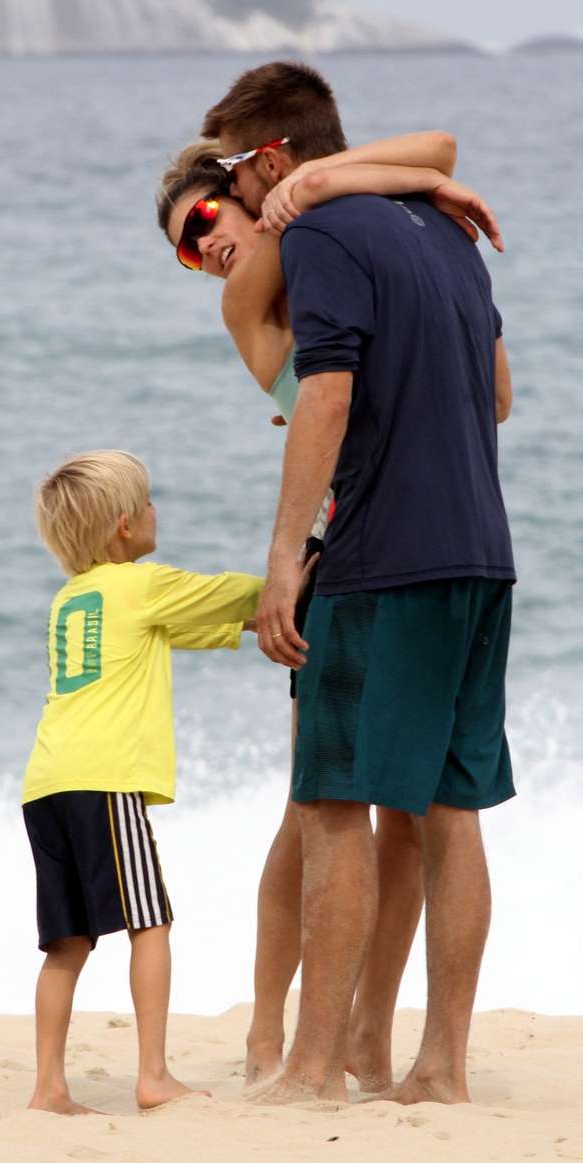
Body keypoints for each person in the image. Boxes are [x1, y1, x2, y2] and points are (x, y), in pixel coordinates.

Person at [157, 122, 505, 1090]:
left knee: (349, 808)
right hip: (425, 547)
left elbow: (432, 151)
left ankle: (344, 1044)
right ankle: (289, 1033)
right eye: (183, 247)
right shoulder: (259, 288)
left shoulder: (335, 247)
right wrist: (412, 185)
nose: (203, 249)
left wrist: (333, 178)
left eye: (205, 219)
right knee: (355, 810)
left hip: (375, 549)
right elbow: (433, 157)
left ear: (243, 184)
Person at [21, 449, 265, 1113]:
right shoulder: (142, 585)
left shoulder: (70, 601)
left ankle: (49, 1086)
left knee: (66, 943)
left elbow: (171, 631)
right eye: (151, 501)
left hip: (46, 784)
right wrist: (294, 583)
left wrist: (245, 628)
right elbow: (230, 593)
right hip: (106, 782)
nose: (160, 510)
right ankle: (153, 1073)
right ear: (126, 526)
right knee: (150, 922)